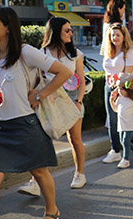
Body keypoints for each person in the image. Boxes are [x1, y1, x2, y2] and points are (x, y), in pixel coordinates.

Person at [0, 6, 72, 219]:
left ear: (8, 27)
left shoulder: (25, 52)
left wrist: (40, 94)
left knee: (39, 172)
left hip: (25, 124)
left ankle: (52, 211)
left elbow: (64, 72)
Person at [18, 17, 88, 197]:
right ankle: (35, 182)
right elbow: (36, 78)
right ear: (56, 32)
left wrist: (79, 101)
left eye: (70, 30)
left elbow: (81, 80)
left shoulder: (76, 54)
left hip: (71, 100)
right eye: (67, 30)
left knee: (75, 139)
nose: (71, 33)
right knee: (42, 140)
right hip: (48, 101)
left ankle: (79, 173)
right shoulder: (42, 52)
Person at [102, 24, 133, 163]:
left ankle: (127, 149)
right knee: (111, 119)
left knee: (121, 121)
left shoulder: (129, 52)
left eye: (118, 35)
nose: (115, 38)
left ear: (124, 36)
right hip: (108, 87)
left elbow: (128, 74)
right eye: (112, 35)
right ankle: (116, 150)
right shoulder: (109, 51)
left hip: (123, 89)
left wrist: (118, 89)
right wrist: (110, 86)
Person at [110, 74, 133, 169]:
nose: (120, 91)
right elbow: (116, 109)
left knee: (125, 141)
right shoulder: (120, 98)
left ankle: (125, 159)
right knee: (122, 141)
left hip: (130, 124)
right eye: (119, 89)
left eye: (122, 89)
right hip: (121, 124)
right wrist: (112, 101)